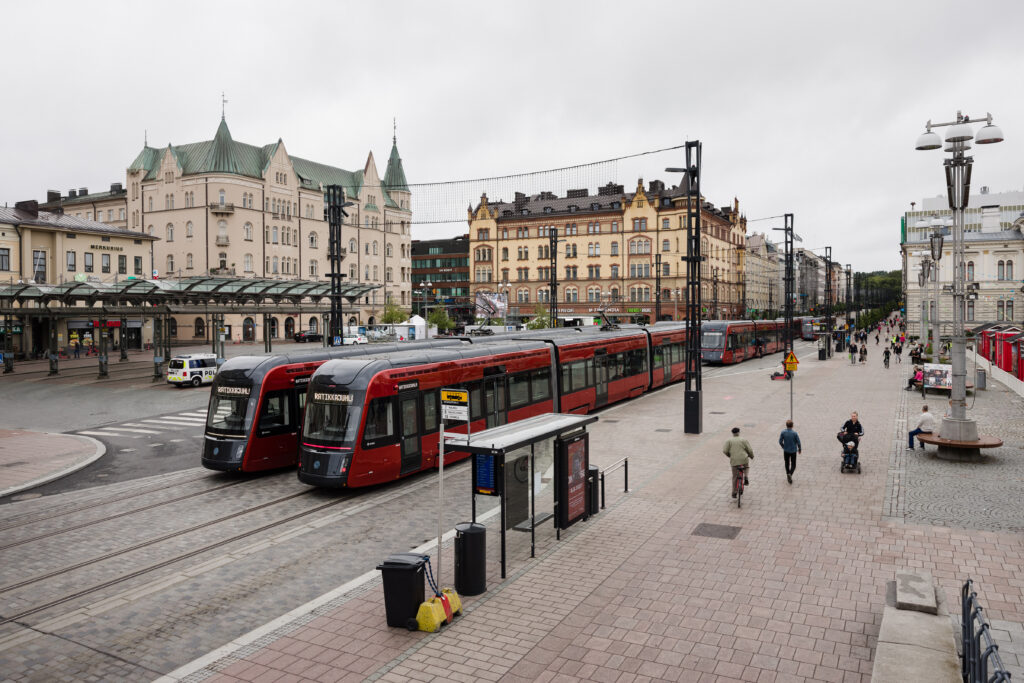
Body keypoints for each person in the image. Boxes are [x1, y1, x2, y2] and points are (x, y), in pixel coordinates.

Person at [722, 427, 754, 498]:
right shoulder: (743, 440)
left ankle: (734, 493)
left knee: (735, 477)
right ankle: (746, 477)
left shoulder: (729, 440)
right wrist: (751, 456)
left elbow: (725, 450)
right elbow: (750, 450)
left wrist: (730, 455)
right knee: (746, 467)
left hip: (734, 461)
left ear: (732, 433)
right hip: (744, 459)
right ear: (739, 432)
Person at [778, 419, 801, 484]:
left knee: (787, 463)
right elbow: (798, 442)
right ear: (792, 426)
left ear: (786, 425)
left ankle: (788, 473)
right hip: (793, 451)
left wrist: (783, 446)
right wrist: (799, 449)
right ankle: (790, 474)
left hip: (786, 451)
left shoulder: (783, 432)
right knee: (793, 464)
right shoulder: (794, 433)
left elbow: (780, 441)